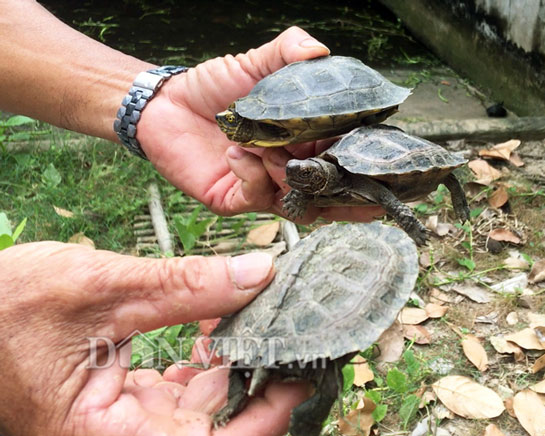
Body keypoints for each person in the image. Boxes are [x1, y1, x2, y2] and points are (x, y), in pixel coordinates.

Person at [0, 1, 384, 435]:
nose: (227, 125)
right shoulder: (253, 136)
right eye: (232, 122)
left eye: (233, 121)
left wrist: (156, 101)